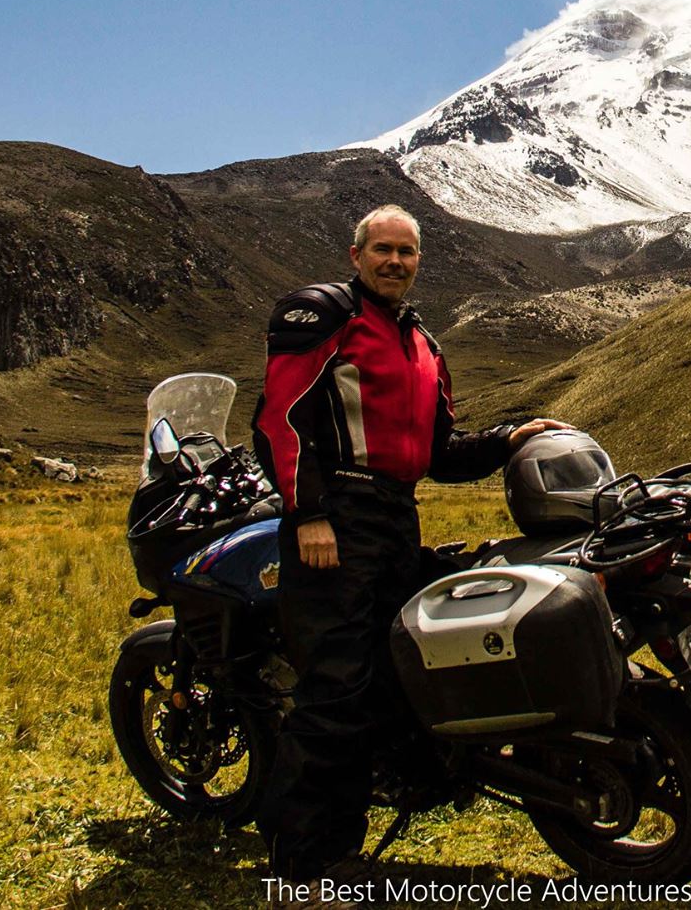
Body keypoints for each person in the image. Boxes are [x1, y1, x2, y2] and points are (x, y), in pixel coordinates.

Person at [251, 203, 569, 882]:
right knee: (336, 688)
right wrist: (308, 514)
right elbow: (281, 420)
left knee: (395, 675)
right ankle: (300, 869)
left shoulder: (423, 344)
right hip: (334, 517)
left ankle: (368, 819)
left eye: (407, 251)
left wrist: (509, 436)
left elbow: (439, 452)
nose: (394, 261)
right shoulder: (324, 316)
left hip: (395, 518)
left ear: (419, 261)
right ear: (355, 254)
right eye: (382, 249)